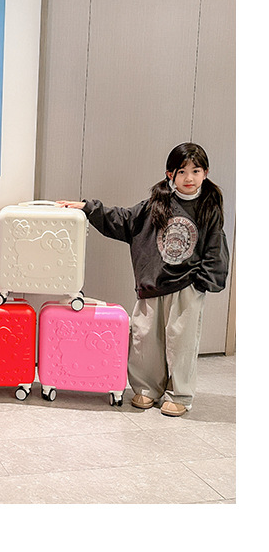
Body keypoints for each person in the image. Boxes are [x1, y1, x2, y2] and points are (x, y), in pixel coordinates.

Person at [57, 142, 229, 417]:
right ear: (170, 174)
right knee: (145, 339)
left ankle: (179, 394)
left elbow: (215, 245)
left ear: (205, 173)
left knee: (181, 343)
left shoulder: (209, 207)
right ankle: (147, 389)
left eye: (196, 171)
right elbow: (125, 220)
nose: (189, 178)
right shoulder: (156, 204)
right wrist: (89, 208)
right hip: (153, 283)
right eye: (182, 171)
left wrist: (202, 282)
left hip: (187, 285)